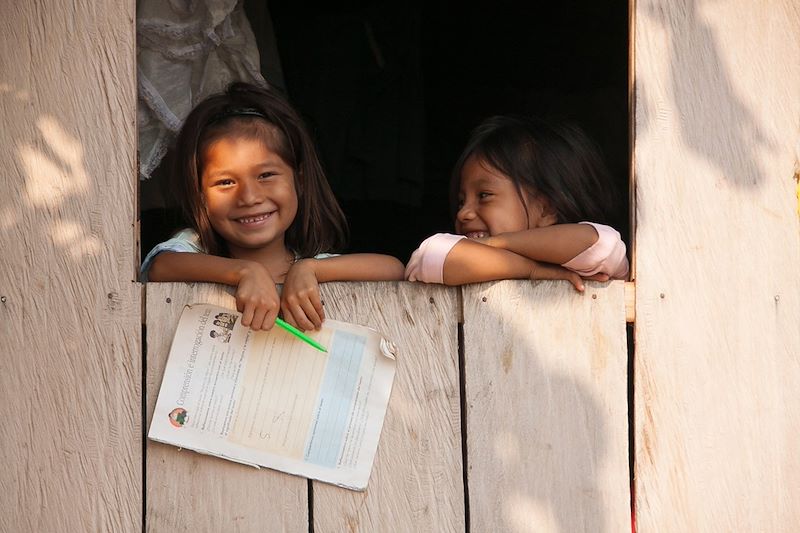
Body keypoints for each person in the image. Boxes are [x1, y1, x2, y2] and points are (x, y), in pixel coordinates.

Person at [142, 82, 404, 331]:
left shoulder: (310, 267)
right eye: (225, 182)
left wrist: (308, 269)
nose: (249, 197)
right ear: (200, 196)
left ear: (299, 180)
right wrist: (245, 272)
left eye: (266, 175)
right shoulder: (194, 249)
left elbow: (393, 269)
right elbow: (160, 266)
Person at [405, 115, 628, 290]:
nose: (463, 213)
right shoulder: (471, 260)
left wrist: (495, 243)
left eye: (484, 195)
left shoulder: (587, 266)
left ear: (546, 209)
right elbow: (430, 254)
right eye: (461, 200)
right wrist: (531, 270)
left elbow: (601, 243)